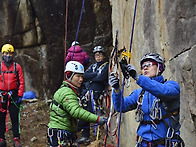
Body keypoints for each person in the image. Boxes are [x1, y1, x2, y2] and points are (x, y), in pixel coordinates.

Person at [109, 53, 184, 147]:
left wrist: (137, 77)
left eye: (149, 64)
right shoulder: (139, 93)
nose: (145, 68)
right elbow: (120, 107)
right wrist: (116, 89)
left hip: (166, 143)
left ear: (159, 67)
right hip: (143, 143)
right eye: (143, 66)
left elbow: (164, 92)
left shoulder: (172, 86)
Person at [47, 61, 106, 147]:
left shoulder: (70, 90)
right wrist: (97, 119)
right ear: (69, 75)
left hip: (63, 133)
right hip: (60, 134)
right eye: (77, 76)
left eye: (82, 76)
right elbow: (76, 111)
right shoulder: (67, 92)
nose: (81, 79)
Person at [77, 46, 109, 144]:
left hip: (96, 94)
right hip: (86, 94)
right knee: (84, 112)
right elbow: (85, 75)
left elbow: (101, 78)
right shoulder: (93, 66)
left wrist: (92, 77)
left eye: (100, 55)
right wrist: (94, 75)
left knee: (88, 113)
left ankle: (77, 129)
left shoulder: (106, 66)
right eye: (96, 55)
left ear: (103, 56)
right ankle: (85, 135)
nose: (98, 57)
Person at [0, 44, 25, 147]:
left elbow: (22, 82)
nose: (8, 56)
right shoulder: (0, 67)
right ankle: (1, 137)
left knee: (14, 116)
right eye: (6, 53)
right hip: (2, 95)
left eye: (10, 53)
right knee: (1, 117)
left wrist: (19, 95)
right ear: (2, 54)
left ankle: (16, 137)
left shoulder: (17, 67)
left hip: (14, 95)